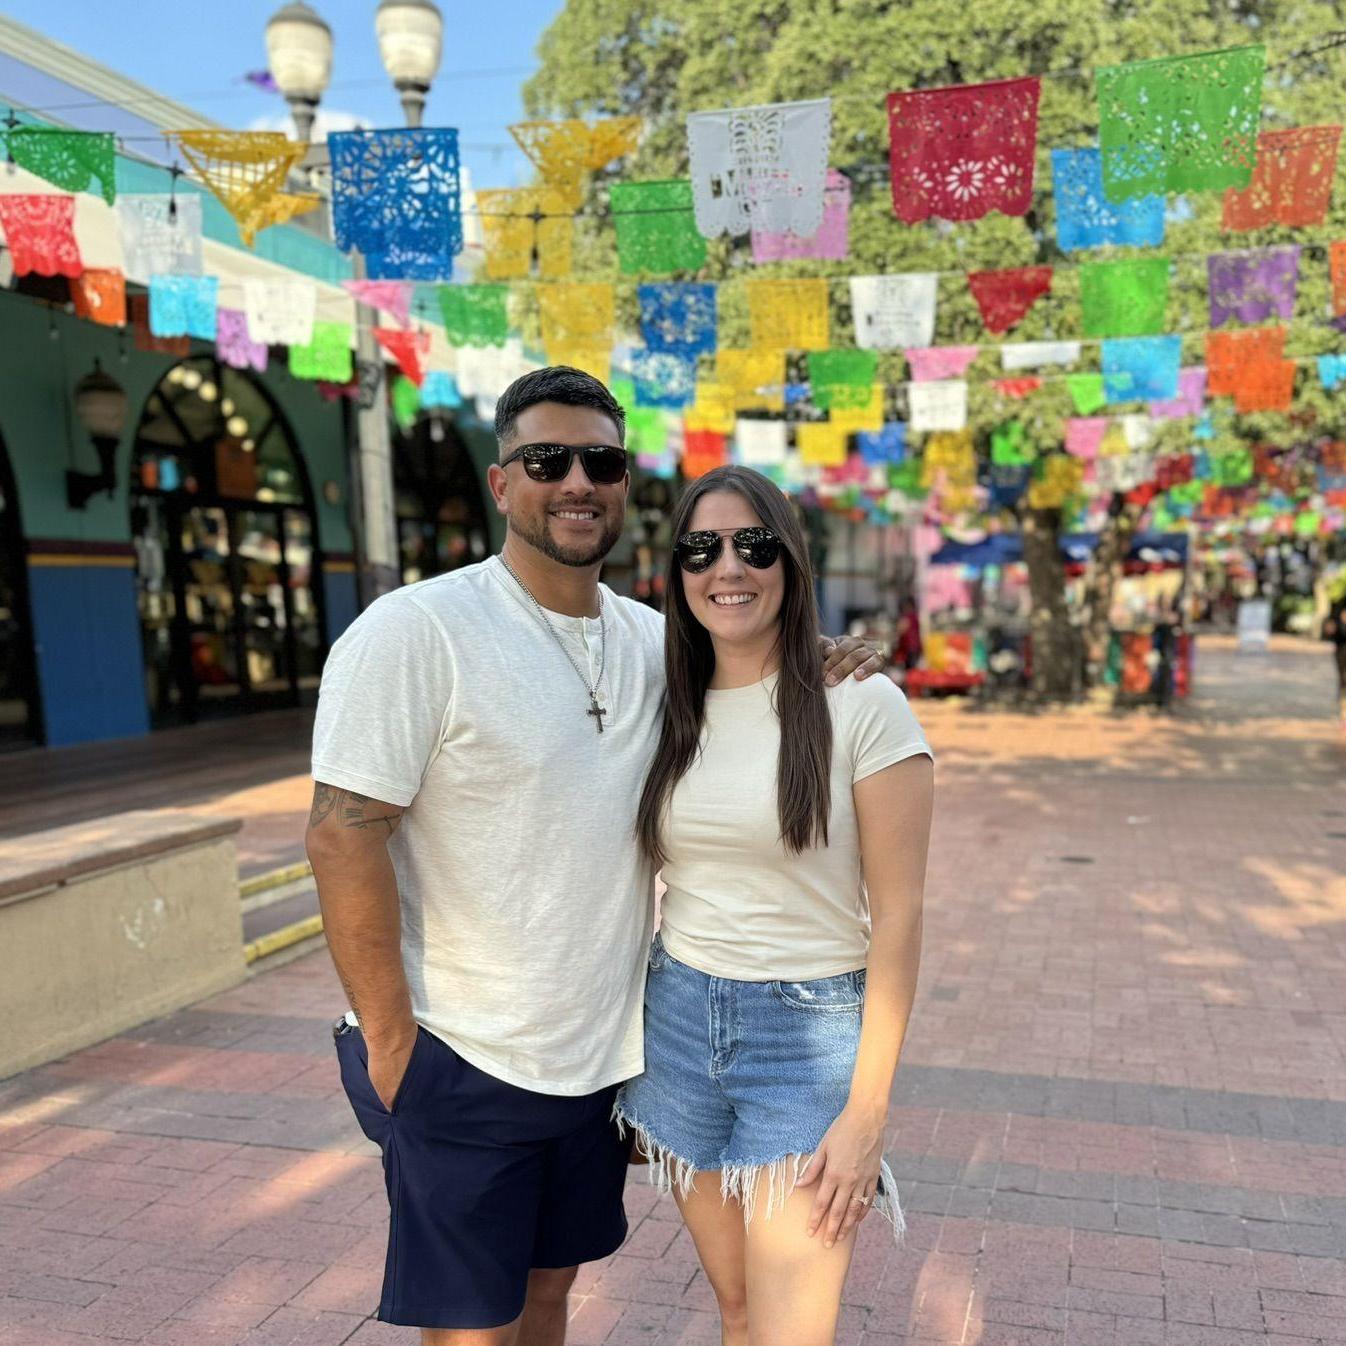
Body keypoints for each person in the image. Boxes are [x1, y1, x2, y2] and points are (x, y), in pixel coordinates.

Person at [305, 367, 884, 1345]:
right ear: (502, 483)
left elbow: (750, 652)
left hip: (598, 1063)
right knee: (472, 1327)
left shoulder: (657, 643)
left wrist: (827, 652)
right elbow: (341, 831)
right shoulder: (416, 630)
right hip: (460, 1049)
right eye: (547, 459)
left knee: (547, 1297)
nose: (576, 480)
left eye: (601, 463)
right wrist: (393, 1046)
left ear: (624, 485)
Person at [616, 466, 934, 1346]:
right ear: (677, 571)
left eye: (755, 545)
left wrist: (867, 1115)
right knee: (740, 1312)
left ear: (791, 562)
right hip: (678, 1026)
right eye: (701, 548)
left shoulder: (862, 705)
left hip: (806, 1042)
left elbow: (901, 920)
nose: (729, 568)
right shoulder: (665, 700)